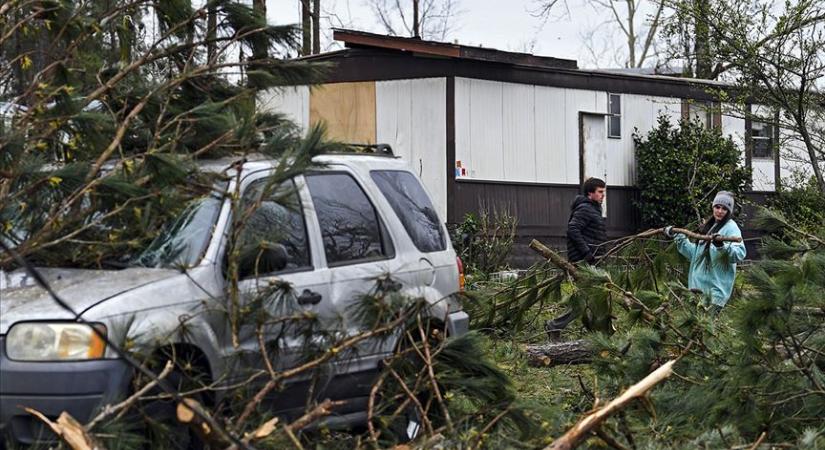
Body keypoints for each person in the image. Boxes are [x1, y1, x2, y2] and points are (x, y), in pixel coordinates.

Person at [545, 177, 607, 339]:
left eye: (603, 192)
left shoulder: (593, 209)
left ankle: (597, 334)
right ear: (590, 193)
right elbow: (573, 229)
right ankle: (555, 325)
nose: (603, 195)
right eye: (600, 192)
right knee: (587, 299)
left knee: (594, 297)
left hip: (591, 260)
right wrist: (587, 253)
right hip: (584, 261)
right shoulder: (586, 209)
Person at [664, 191, 747, 312]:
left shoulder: (731, 227)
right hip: (696, 290)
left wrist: (721, 247)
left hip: (714, 294)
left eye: (724, 208)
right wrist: (678, 236)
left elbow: (739, 253)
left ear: (729, 211)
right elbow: (696, 255)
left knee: (707, 328)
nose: (719, 211)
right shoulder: (710, 226)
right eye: (717, 207)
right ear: (713, 207)